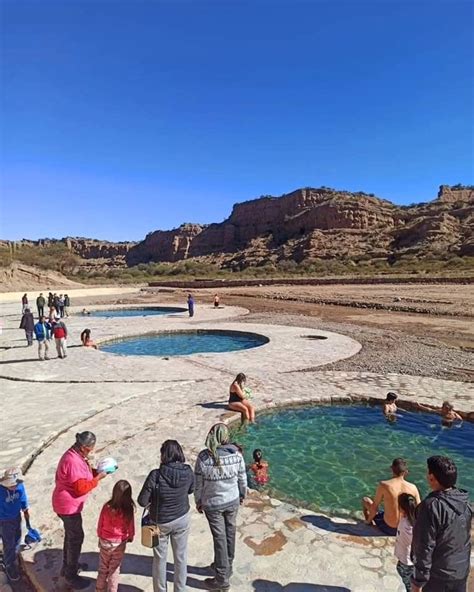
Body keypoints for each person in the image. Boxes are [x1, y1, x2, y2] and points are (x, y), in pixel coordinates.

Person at [52, 431, 108, 590]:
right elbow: (80, 488)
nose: (92, 450)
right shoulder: (73, 461)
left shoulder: (76, 455)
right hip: (68, 507)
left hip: (67, 504)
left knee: (71, 536)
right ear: (83, 447)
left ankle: (69, 564)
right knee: (76, 538)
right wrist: (98, 478)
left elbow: (84, 475)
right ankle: (70, 575)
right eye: (90, 448)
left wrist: (96, 471)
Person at [194, 423, 247, 591]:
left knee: (219, 538)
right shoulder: (236, 455)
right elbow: (242, 478)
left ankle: (222, 580)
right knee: (230, 533)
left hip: (212, 504)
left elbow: (198, 484)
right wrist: (242, 494)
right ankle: (226, 566)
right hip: (232, 501)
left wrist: (198, 501)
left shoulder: (204, 458)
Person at [138, 440, 194, 592]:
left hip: (159, 523)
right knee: (181, 558)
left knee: (160, 560)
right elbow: (191, 490)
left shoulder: (155, 475)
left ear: (163, 455)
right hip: (181, 519)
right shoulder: (188, 471)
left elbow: (142, 501)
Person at [411, 456, 471, 592]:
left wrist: (418, 582)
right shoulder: (464, 501)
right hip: (461, 570)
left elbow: (424, 546)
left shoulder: (430, 506)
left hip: (438, 576)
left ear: (432, 477)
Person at [362, 458, 420, 536]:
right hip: (405, 528)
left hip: (389, 528)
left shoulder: (384, 485)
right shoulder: (413, 487)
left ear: (391, 469)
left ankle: (368, 522)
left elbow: (374, 508)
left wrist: (368, 521)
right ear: (405, 472)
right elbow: (419, 510)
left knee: (365, 500)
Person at [96, 480, 135, 592]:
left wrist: (99, 534)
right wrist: (131, 536)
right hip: (119, 542)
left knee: (103, 567)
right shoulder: (128, 509)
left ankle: (99, 589)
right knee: (114, 569)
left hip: (105, 541)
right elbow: (131, 525)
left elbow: (100, 522)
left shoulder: (107, 507)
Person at [0, 468, 30, 582]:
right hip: (3, 521)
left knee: (17, 538)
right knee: (9, 543)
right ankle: (9, 565)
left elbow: (22, 497)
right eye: (11, 485)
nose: (14, 487)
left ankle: (14, 556)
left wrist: (25, 509)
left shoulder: (20, 485)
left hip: (16, 517)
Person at [394, 493, 417, 592]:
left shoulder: (404, 524)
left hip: (406, 560)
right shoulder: (417, 522)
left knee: (409, 586)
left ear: (401, 508)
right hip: (413, 560)